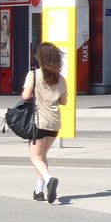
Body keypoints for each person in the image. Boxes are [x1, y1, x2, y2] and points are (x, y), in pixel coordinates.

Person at [22, 42, 69, 204]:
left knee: (35, 157)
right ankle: (39, 191)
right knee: (42, 156)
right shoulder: (61, 79)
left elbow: (25, 96)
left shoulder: (34, 75)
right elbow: (63, 102)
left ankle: (49, 180)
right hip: (55, 123)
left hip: (39, 121)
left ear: (40, 58)